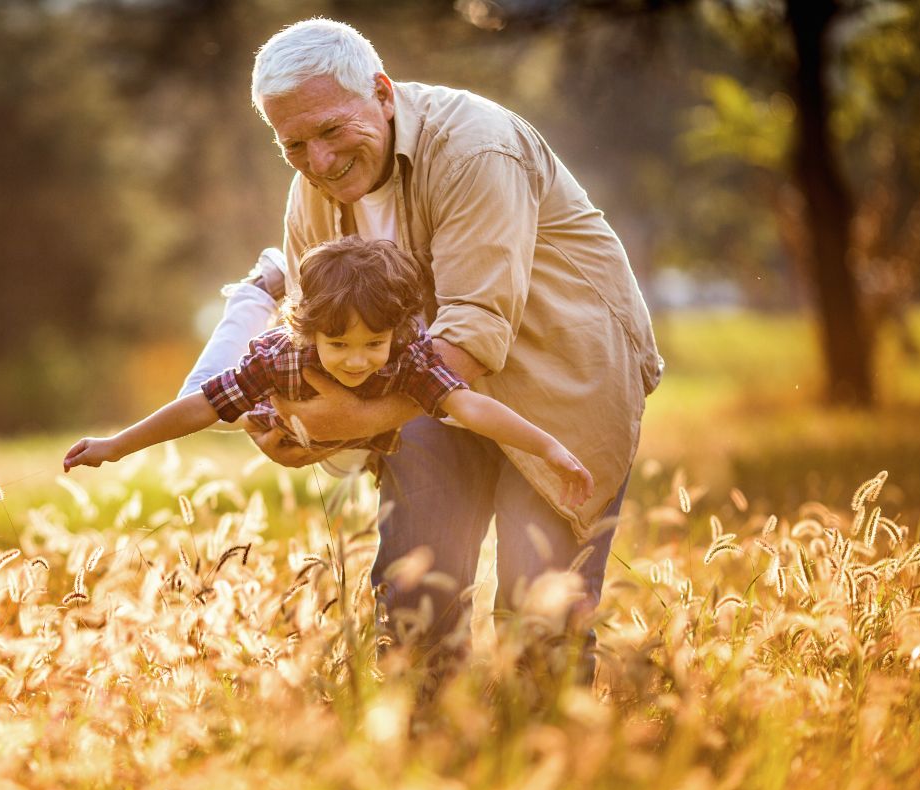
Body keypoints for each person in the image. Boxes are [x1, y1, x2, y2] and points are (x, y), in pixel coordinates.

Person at [181, 19, 663, 663]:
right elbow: (311, 331)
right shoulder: (311, 191)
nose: (318, 163)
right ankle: (426, 748)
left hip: (558, 378)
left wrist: (338, 424)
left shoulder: (475, 149)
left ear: (382, 94)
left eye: (331, 130)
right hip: (423, 385)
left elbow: (468, 336)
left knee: (539, 610)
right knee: (415, 598)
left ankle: (553, 751)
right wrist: (290, 422)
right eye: (293, 143)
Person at [65, 236, 596, 512]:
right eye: (338, 343)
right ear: (310, 331)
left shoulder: (408, 355)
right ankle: (258, 289)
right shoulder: (281, 355)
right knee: (207, 397)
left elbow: (471, 406)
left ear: (398, 332)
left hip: (354, 428)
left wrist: (547, 446)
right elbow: (200, 406)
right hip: (279, 406)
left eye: (373, 343)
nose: (357, 359)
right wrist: (116, 444)